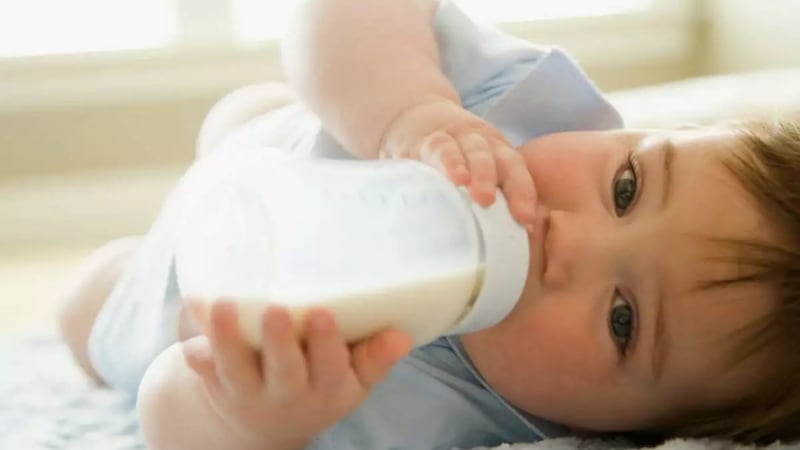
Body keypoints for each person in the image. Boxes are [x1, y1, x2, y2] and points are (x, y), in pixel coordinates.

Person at [57, 0, 800, 449]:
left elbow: (165, 410)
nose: (569, 239)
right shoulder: (515, 111)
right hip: (273, 153)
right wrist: (409, 108)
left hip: (179, 291)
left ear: (621, 430)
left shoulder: (431, 422)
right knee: (260, 109)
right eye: (629, 187)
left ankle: (115, 274)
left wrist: (247, 417)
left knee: (81, 316)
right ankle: (233, 140)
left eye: (621, 320)